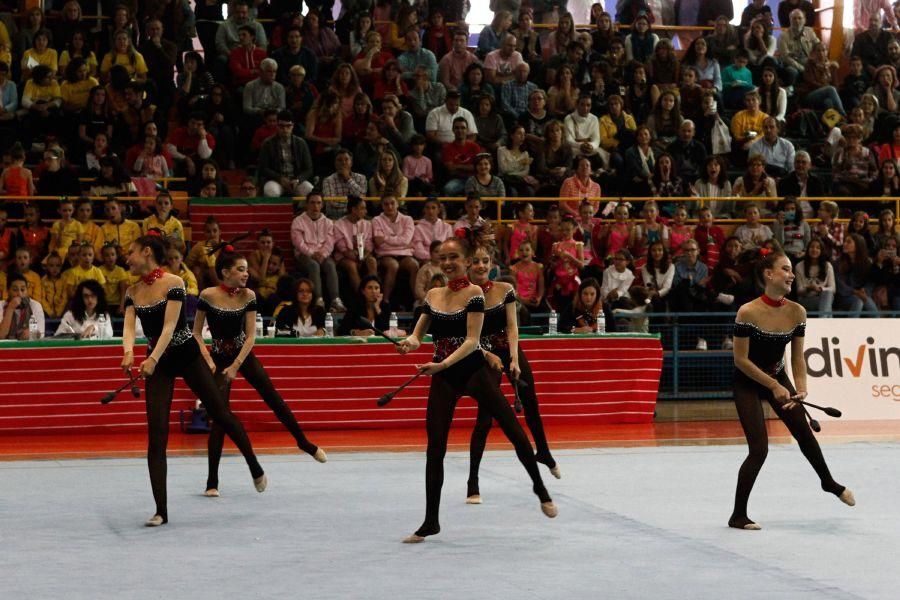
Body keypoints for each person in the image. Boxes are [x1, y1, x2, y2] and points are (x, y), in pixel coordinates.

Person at [395, 236, 556, 543]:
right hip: (444, 375)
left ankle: (540, 488)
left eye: (454, 257)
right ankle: (431, 521)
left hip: (472, 369)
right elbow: (418, 336)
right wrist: (409, 344)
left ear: (466, 260)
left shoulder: (474, 294)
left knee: (512, 428)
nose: (447, 262)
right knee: (435, 448)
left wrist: (441, 366)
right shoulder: (432, 294)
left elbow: (472, 341)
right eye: (443, 257)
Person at [121, 232, 267, 525]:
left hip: (186, 354)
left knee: (220, 413)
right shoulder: (131, 291)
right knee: (157, 434)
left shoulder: (175, 283)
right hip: (159, 363)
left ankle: (254, 465)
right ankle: (161, 510)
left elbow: (169, 327)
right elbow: (128, 328)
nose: (128, 258)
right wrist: (127, 352)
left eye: (131, 252)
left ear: (147, 252)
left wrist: (151, 358)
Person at [729, 249, 855, 531]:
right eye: (785, 269)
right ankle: (738, 515)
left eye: (790, 270)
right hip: (748, 382)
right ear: (768, 274)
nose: (791, 274)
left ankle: (828, 482)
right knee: (759, 449)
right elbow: (740, 360)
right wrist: (773, 386)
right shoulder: (747, 312)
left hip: (778, 375)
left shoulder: (798, 312)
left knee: (804, 433)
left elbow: (797, 357)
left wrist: (802, 388)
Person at [193, 248, 325, 497]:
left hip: (243, 354)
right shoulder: (208, 295)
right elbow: (197, 333)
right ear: (225, 272)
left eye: (246, 269)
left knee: (273, 397)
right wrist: (210, 360)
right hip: (218, 357)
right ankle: (212, 480)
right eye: (240, 269)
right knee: (220, 417)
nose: (246, 274)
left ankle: (303, 442)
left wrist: (236, 366)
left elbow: (252, 335)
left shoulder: (249, 295)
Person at [466, 244, 559, 504]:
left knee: (530, 399)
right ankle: (472, 482)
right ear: (468, 265)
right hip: (484, 354)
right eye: (476, 261)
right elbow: (469, 337)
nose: (481, 266)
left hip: (509, 347)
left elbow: (512, 327)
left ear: (492, 263)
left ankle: (544, 452)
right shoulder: (464, 296)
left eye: (485, 260)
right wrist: (488, 356)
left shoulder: (504, 289)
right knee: (485, 418)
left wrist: (515, 359)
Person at [290, 191, 345, 312]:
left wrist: (323, 254)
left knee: (330, 264)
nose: (315, 206)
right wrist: (311, 254)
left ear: (322, 205)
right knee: (313, 265)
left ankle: (336, 300)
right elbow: (298, 243)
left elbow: (330, 242)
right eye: (312, 203)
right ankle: (318, 300)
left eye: (318, 203)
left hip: (322, 254)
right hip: (304, 255)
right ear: (307, 204)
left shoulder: (328, 222)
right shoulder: (298, 221)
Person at [0, 273, 45, 340]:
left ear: (27, 290)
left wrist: (31, 333)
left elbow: (40, 333)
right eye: (15, 290)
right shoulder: (1, 305)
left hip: (29, 347)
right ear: (8, 291)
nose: (19, 294)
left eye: (23, 290)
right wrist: (10, 308)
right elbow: (1, 335)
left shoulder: (35, 305)